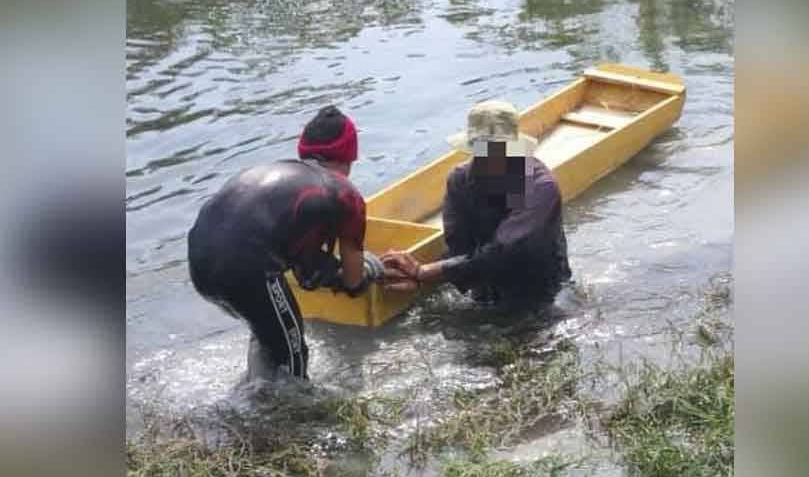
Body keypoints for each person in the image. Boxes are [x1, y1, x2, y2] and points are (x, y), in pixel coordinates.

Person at [187, 105, 400, 381]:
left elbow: (305, 269)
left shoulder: (280, 175)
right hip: (247, 269)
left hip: (199, 261)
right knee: (292, 355)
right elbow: (352, 281)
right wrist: (371, 267)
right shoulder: (345, 195)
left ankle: (253, 395)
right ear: (349, 157)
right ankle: (287, 405)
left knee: (266, 329)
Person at [383, 100, 572, 309]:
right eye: (485, 151)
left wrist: (425, 272)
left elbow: (508, 249)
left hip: (545, 292)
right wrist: (419, 277)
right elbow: (458, 247)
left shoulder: (538, 186)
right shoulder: (460, 181)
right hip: (485, 289)